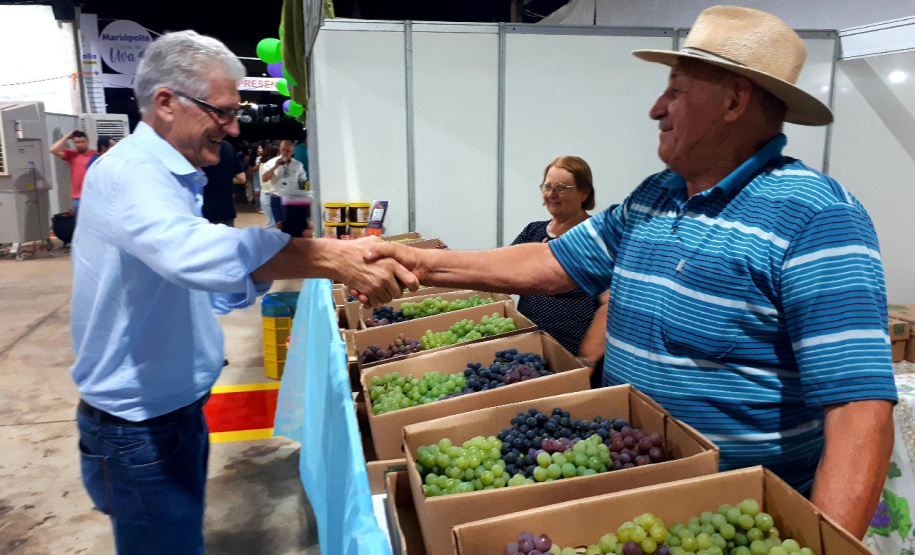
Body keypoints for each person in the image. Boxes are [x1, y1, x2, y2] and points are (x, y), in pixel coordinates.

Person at [360, 6, 896, 539]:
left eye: (677, 91)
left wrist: (827, 546)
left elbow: (859, 413)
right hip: (624, 505)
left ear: (735, 100)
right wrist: (421, 262)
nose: (656, 108)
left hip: (722, 529)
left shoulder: (816, 217)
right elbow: (552, 261)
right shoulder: (654, 199)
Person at [70, 30, 417, 555]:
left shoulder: (167, 178)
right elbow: (193, 254)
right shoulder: (131, 174)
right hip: (138, 428)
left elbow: (195, 289)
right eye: (223, 111)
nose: (233, 129)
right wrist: (324, 257)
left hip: (174, 412)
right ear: (166, 102)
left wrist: (306, 259)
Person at [510, 156, 609, 375]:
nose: (551, 194)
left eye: (561, 187)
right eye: (548, 186)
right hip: (529, 352)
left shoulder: (598, 238)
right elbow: (503, 275)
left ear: (584, 193)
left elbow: (610, 305)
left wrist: (587, 360)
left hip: (573, 358)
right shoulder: (533, 231)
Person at [49, 129, 97, 213]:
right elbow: (53, 150)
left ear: (88, 142)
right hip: (78, 197)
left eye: (82, 142)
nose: (80, 144)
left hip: (94, 196)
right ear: (74, 143)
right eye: (77, 142)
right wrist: (67, 137)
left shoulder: (96, 154)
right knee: (80, 224)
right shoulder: (71, 154)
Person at [261, 139, 307, 225]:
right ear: (280, 150)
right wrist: (276, 166)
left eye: (288, 151)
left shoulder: (298, 165)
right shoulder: (270, 163)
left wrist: (303, 196)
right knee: (279, 224)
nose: (285, 152)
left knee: (293, 223)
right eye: (283, 150)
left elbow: (303, 180)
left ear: (292, 152)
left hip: (293, 199)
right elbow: (264, 178)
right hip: (277, 198)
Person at [201, 140, 245, 227]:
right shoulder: (227, 146)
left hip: (203, 210)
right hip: (226, 208)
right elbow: (241, 179)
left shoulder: (195, 147)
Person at [259, 144, 280, 225]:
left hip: (264, 192)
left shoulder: (262, 163)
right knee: (273, 222)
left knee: (271, 221)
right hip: (269, 193)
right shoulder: (270, 165)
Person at [251, 143, 264, 213]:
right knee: (257, 192)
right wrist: (258, 165)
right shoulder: (253, 159)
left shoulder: (264, 158)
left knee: (263, 192)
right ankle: (257, 206)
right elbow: (251, 169)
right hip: (256, 177)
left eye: (261, 148)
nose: (261, 150)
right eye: (259, 148)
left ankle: (262, 207)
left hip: (263, 176)